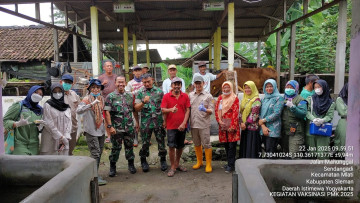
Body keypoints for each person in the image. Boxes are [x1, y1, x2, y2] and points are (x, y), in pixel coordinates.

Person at [104, 76, 139, 177]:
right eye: (119, 82)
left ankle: (131, 165)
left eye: (122, 82)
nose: (121, 84)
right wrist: (110, 126)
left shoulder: (130, 96)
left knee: (129, 147)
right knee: (116, 148)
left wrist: (137, 122)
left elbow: (134, 110)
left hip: (129, 127)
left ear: (125, 83)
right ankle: (113, 166)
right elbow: (107, 112)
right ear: (115, 83)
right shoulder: (110, 96)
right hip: (116, 128)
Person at [76, 79, 107, 185]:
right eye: (93, 87)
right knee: (95, 154)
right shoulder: (86, 99)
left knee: (99, 153)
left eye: (98, 87)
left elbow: (104, 112)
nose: (95, 89)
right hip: (91, 130)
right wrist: (91, 104)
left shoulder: (101, 98)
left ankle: (95, 174)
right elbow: (78, 111)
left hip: (101, 130)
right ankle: (93, 177)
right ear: (89, 89)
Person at [134, 73, 168, 172]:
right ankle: (143, 160)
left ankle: (163, 159)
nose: (147, 84)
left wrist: (164, 121)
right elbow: (136, 108)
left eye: (148, 81)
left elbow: (164, 107)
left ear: (152, 80)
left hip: (158, 121)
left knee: (161, 141)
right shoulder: (140, 92)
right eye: (144, 82)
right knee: (145, 143)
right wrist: (143, 102)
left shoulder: (159, 92)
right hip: (146, 122)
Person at [161, 77, 190, 177]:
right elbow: (163, 110)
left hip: (182, 126)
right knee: (171, 146)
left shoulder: (185, 96)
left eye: (179, 84)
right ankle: (172, 166)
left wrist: (184, 123)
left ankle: (177, 164)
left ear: (181, 86)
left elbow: (187, 110)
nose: (177, 86)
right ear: (171, 86)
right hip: (171, 126)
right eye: (175, 84)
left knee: (180, 146)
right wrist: (170, 110)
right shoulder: (166, 96)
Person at [3, 86, 44, 155]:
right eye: (36, 92)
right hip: (19, 144)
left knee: (32, 165)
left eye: (40, 94)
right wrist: (16, 124)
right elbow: (5, 120)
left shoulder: (40, 110)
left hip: (34, 145)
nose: (38, 95)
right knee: (21, 165)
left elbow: (40, 128)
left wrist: (41, 127)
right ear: (30, 92)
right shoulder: (19, 105)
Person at [189, 76, 214, 173]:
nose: (198, 85)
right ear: (194, 84)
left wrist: (205, 109)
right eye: (196, 83)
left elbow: (212, 110)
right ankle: (199, 162)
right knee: (196, 144)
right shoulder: (190, 95)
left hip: (204, 124)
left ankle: (208, 164)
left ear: (203, 83)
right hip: (193, 124)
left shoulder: (209, 96)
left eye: (200, 83)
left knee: (206, 144)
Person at [306, 79, 335, 159]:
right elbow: (307, 111)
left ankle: (323, 171)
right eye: (315, 87)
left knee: (322, 154)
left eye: (319, 87)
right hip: (312, 129)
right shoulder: (310, 99)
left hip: (323, 130)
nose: (317, 89)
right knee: (312, 153)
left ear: (324, 88)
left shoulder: (331, 103)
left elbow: (330, 115)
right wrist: (313, 119)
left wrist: (323, 120)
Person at [215, 81, 240, 173]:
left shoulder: (234, 98)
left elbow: (235, 112)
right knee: (226, 144)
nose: (226, 89)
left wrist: (233, 126)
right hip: (223, 125)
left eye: (228, 87)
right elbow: (216, 110)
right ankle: (229, 162)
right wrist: (219, 121)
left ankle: (231, 165)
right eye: (224, 87)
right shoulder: (220, 98)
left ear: (231, 88)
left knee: (231, 145)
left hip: (231, 125)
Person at [40, 83, 71, 155]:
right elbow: (48, 123)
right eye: (55, 92)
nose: (57, 94)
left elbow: (69, 123)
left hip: (64, 141)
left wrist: (66, 136)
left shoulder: (67, 107)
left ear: (63, 93)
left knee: (63, 163)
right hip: (50, 139)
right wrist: (61, 137)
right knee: (49, 162)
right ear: (51, 93)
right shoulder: (48, 105)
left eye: (60, 91)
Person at [281, 80, 307, 158]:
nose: (288, 89)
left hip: (296, 131)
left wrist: (293, 107)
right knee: (285, 154)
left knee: (294, 155)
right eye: (287, 87)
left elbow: (303, 114)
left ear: (296, 88)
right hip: (284, 131)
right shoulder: (282, 99)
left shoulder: (301, 100)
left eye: (291, 87)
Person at [259, 79, 284, 157]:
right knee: (265, 150)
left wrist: (264, 120)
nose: (269, 88)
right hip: (263, 127)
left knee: (271, 151)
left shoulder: (279, 98)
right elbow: (259, 113)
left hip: (273, 129)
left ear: (275, 87)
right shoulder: (264, 98)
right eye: (267, 87)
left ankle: (271, 168)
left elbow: (277, 113)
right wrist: (263, 126)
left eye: (271, 86)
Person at [239, 81, 261, 159]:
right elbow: (241, 112)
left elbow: (254, 115)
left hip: (252, 128)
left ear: (253, 88)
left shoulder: (256, 100)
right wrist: (241, 123)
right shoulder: (244, 99)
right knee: (245, 147)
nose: (247, 90)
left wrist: (245, 124)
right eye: (245, 88)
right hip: (244, 127)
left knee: (251, 148)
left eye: (249, 88)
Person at [60, 74, 80, 155]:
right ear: (61, 82)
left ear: (72, 84)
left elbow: (78, 107)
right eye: (66, 82)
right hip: (62, 129)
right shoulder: (57, 95)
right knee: (61, 150)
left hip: (73, 127)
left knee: (70, 150)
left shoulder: (74, 94)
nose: (67, 84)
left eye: (69, 83)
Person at [126, 65, 144, 147]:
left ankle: (144, 138)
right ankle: (135, 138)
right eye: (135, 71)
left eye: (139, 70)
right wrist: (135, 92)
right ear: (133, 72)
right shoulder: (130, 83)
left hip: (144, 104)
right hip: (133, 105)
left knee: (144, 122)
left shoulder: (144, 81)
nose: (137, 72)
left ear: (142, 71)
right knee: (134, 123)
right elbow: (127, 93)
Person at [334, 83, 348, 154]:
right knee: (343, 139)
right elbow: (343, 113)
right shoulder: (340, 99)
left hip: (354, 122)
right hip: (344, 121)